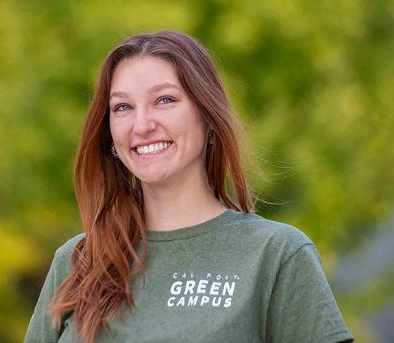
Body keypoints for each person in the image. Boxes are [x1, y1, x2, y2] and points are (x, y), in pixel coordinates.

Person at [24, 30, 354, 343]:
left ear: (207, 116)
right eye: (123, 107)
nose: (142, 125)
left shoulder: (275, 254)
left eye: (164, 100)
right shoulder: (77, 260)